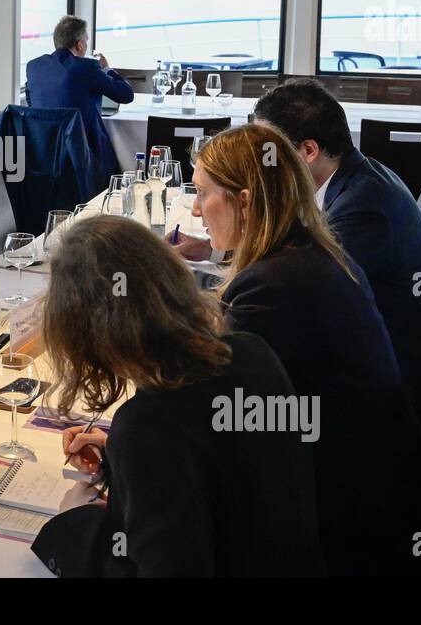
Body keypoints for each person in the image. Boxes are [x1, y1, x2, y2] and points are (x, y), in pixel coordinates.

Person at [191, 124, 421, 577]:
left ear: (245, 201)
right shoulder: (306, 253)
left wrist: (129, 442)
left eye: (203, 193)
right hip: (381, 481)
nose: (195, 209)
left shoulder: (273, 284)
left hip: (350, 520)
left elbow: (221, 416)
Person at [29, 216, 324, 578]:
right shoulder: (251, 352)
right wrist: (119, 463)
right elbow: (229, 469)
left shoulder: (146, 425)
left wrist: (74, 524)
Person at [252, 79, 421, 436]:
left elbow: (304, 297)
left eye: (267, 152)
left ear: (308, 150)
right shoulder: (353, 178)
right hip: (391, 352)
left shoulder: (363, 208)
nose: (263, 163)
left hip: (391, 390)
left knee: (237, 404)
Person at [24, 15, 134, 179]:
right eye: (86, 40)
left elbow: (32, 102)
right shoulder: (87, 67)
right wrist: (107, 69)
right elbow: (126, 95)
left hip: (44, 152)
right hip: (83, 152)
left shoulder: (34, 66)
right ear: (80, 45)